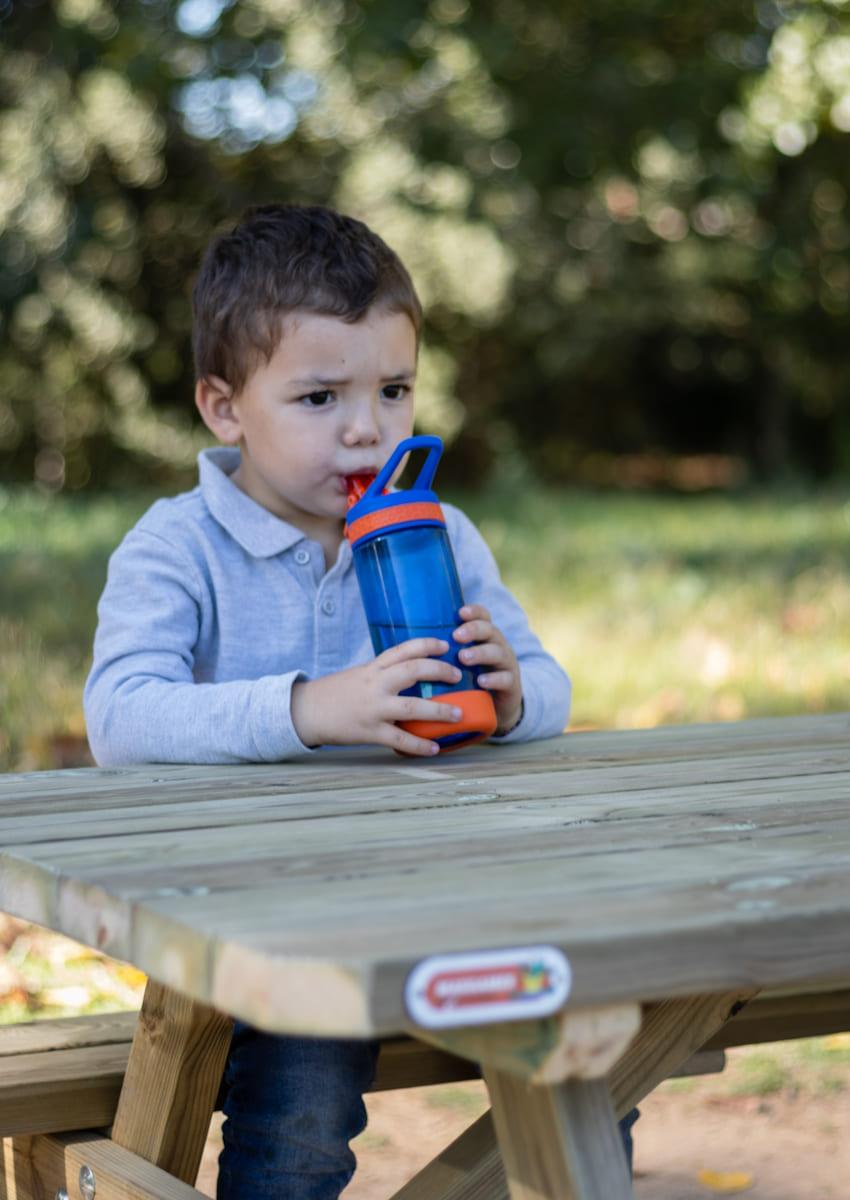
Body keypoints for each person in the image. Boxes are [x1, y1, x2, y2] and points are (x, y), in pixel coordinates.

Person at [84, 203, 636, 1198]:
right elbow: (121, 719)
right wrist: (305, 710)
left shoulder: (442, 533)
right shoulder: (178, 549)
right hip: (271, 924)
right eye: (318, 396)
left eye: (393, 390)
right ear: (223, 408)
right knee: (300, 1107)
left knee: (592, 1052)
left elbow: (550, 685)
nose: (365, 427)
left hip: (445, 896)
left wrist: (511, 699)